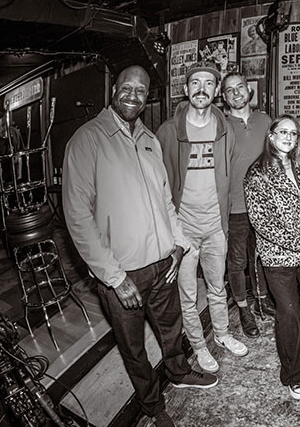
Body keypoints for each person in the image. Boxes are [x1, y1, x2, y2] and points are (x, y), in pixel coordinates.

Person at [63, 65, 217, 427]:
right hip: (123, 271)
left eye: (141, 91)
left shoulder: (149, 138)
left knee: (171, 329)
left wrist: (178, 245)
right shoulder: (88, 139)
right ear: (114, 89)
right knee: (132, 347)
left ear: (148, 97)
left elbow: (165, 201)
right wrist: (115, 279)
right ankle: (151, 403)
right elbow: (78, 217)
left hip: (164, 263)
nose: (133, 96)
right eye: (127, 88)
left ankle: (178, 371)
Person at [157, 60, 248, 374]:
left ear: (216, 92)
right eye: (195, 83)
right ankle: (198, 345)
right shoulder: (168, 131)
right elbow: (160, 183)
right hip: (183, 229)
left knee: (217, 287)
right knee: (187, 292)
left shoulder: (226, 130)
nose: (201, 89)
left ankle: (222, 334)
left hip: (215, 227)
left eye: (209, 83)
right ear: (186, 89)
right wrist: (169, 229)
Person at [246, 115, 300, 401]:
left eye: (294, 133)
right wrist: (298, 242)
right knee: (288, 313)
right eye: (283, 132)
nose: (289, 137)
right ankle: (294, 374)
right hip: (277, 256)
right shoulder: (257, 174)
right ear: (271, 136)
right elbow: (261, 222)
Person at [222, 71, 272, 338]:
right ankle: (243, 308)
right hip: (235, 207)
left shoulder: (265, 120)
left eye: (240, 87)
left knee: (264, 256)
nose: (236, 92)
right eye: (230, 90)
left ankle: (264, 301)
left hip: (264, 205)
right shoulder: (220, 124)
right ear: (224, 96)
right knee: (238, 261)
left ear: (248, 91)